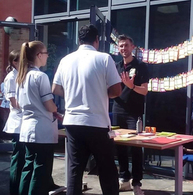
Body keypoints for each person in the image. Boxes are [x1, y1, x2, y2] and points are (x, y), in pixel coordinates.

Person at [52, 24, 122, 195]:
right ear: (97, 40)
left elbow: (55, 89)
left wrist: (71, 94)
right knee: (107, 169)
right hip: (97, 122)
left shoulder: (65, 60)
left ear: (78, 40)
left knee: (75, 169)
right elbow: (116, 90)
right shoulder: (104, 59)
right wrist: (100, 92)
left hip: (73, 122)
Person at [16, 41, 58, 195]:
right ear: (39, 55)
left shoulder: (21, 76)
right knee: (41, 170)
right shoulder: (40, 76)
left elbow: (20, 104)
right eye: (46, 53)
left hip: (27, 128)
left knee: (28, 167)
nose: (47, 56)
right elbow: (49, 105)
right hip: (42, 130)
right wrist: (55, 109)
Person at [112, 34, 149, 195]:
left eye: (126, 45)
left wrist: (131, 86)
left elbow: (145, 91)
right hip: (118, 111)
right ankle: (124, 179)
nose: (123, 48)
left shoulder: (141, 66)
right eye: (121, 46)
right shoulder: (115, 66)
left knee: (135, 148)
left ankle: (137, 183)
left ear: (132, 47)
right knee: (120, 147)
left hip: (134, 113)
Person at [2, 50, 24, 195]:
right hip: (18, 123)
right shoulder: (11, 78)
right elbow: (14, 102)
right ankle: (14, 188)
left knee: (23, 157)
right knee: (18, 157)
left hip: (24, 121)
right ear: (15, 62)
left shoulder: (21, 75)